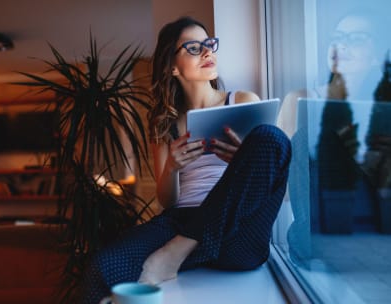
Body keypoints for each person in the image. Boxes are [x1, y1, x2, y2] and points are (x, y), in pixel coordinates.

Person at [81, 16, 291, 303]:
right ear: (172, 66)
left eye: (209, 44)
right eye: (193, 48)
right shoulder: (163, 122)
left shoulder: (243, 100)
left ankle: (180, 249)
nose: (207, 52)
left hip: (238, 231)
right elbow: (167, 202)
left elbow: (270, 174)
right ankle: (188, 244)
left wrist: (242, 162)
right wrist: (172, 168)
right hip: (182, 219)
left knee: (273, 138)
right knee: (102, 269)